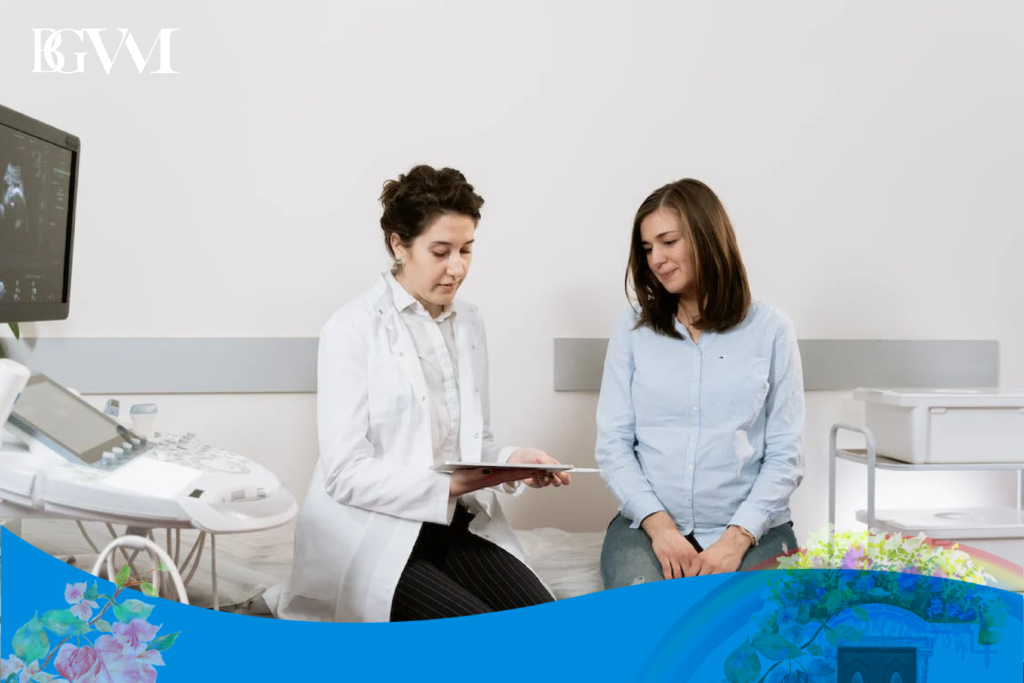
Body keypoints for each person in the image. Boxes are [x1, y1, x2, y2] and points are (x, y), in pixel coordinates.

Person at [268, 164, 571, 622]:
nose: (457, 268)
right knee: (487, 644)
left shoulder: (469, 324)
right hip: (374, 535)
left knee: (550, 626)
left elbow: (472, 444)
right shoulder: (352, 329)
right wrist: (448, 485)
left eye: (467, 250)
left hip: (450, 524)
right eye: (441, 251)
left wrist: (514, 461)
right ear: (399, 245)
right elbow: (344, 473)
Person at [595, 178, 804, 589]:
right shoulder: (632, 328)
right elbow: (613, 443)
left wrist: (736, 539)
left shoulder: (771, 328)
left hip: (750, 528)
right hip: (649, 527)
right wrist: (660, 527)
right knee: (648, 615)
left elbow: (786, 454)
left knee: (751, 620)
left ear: (707, 237)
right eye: (647, 248)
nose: (656, 259)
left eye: (668, 242)